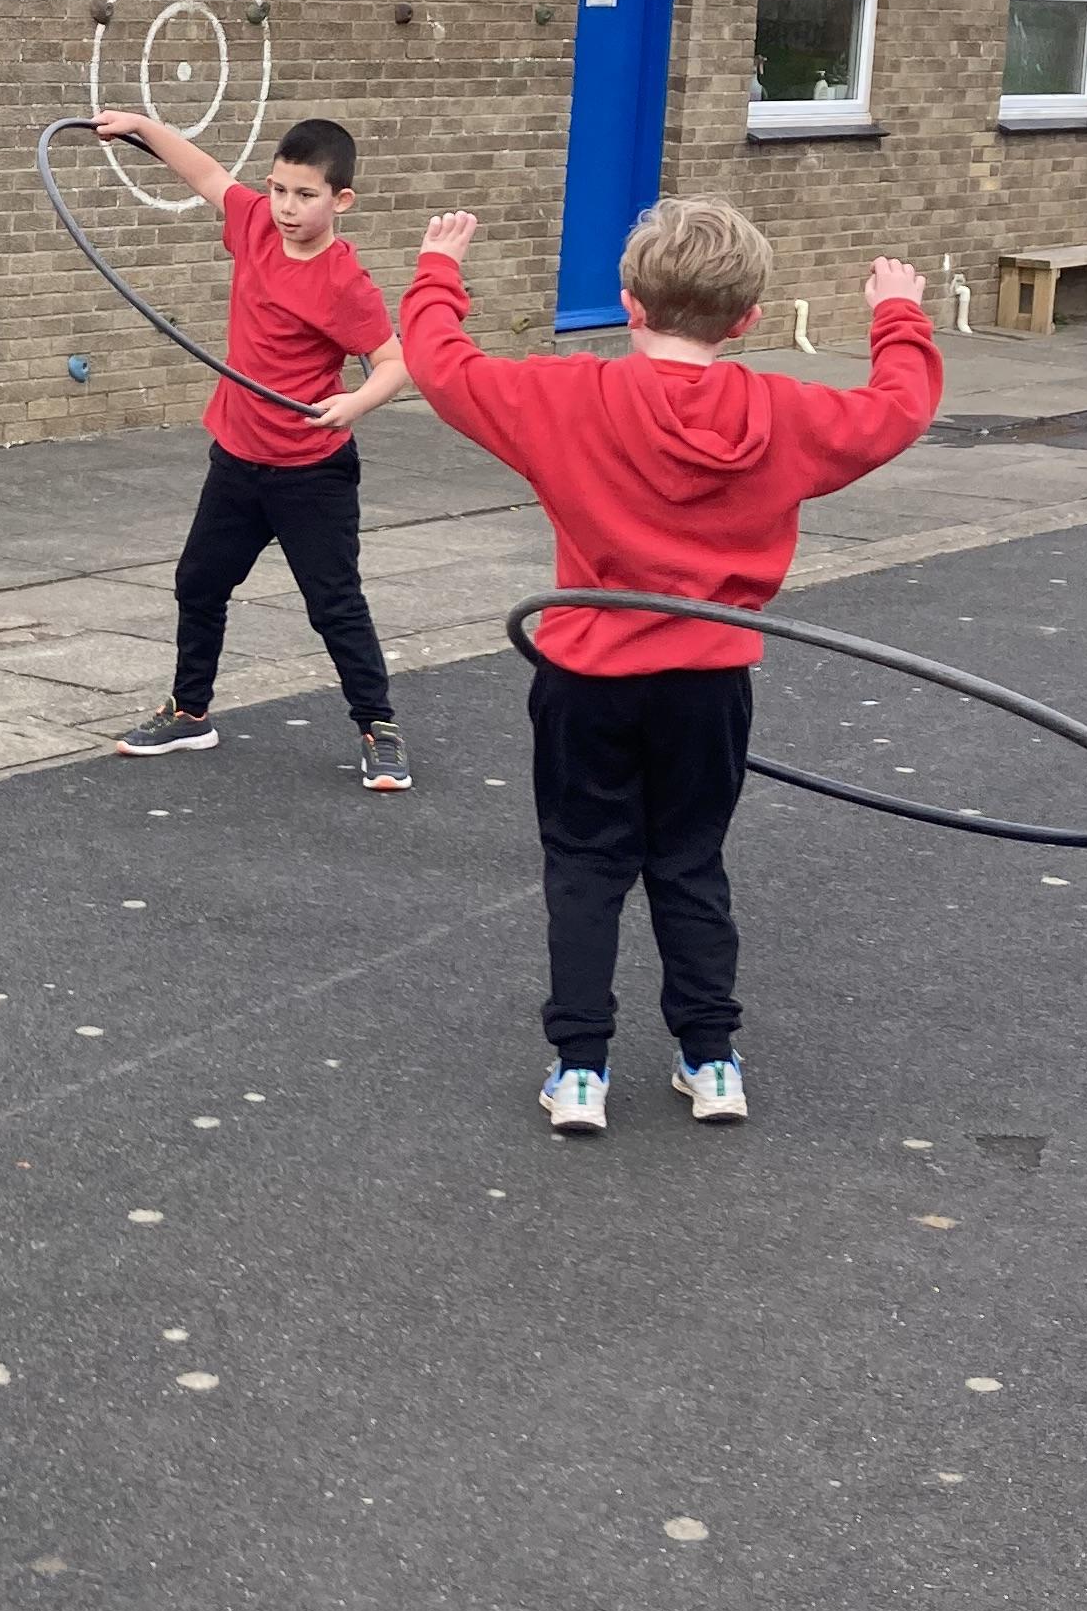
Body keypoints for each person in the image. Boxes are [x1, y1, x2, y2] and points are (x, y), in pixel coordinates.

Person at [397, 192, 938, 1134]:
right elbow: (897, 409)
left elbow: (444, 368)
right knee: (689, 862)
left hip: (587, 679)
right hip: (707, 685)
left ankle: (580, 1072)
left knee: (585, 865)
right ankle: (711, 1059)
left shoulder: (567, 396)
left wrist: (438, 272)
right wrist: (897, 314)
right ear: (749, 319)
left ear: (628, 303)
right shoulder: (784, 413)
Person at [98, 109, 417, 792]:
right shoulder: (253, 226)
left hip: (311, 471)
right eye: (278, 190)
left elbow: (394, 362)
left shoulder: (344, 282)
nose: (286, 207)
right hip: (238, 459)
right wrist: (139, 126)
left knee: (334, 604)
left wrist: (354, 404)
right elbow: (205, 173)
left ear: (341, 200)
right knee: (199, 582)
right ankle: (190, 712)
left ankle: (379, 727)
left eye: (304, 195)